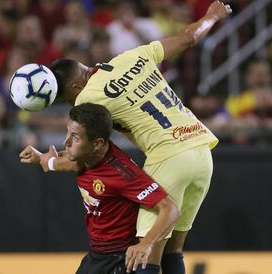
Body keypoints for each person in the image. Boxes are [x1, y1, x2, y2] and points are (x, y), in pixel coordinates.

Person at [25, 1, 231, 273]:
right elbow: (187, 38)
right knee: (173, 250)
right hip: (201, 150)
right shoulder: (131, 56)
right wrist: (211, 15)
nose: (72, 104)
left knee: (144, 252)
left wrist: (50, 161)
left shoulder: (87, 98)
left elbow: (82, 152)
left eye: (67, 98)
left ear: (76, 87)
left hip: (167, 156)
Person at [20, 103, 180, 274]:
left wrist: (145, 244)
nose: (66, 142)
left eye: (75, 137)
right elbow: (70, 162)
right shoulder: (86, 156)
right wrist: (42, 159)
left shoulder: (123, 174)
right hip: (97, 255)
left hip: (118, 260)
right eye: (68, 132)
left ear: (97, 144)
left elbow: (170, 209)